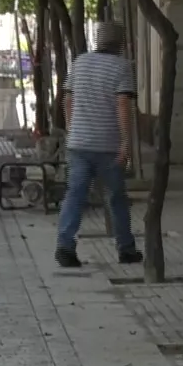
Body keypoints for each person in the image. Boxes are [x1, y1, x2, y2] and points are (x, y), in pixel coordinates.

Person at [55, 22, 143, 269]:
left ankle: (65, 246)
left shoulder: (80, 62)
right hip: (108, 146)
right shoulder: (122, 67)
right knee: (116, 197)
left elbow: (68, 100)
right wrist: (126, 142)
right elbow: (123, 105)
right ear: (121, 43)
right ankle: (126, 249)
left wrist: (74, 130)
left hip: (79, 144)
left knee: (75, 195)